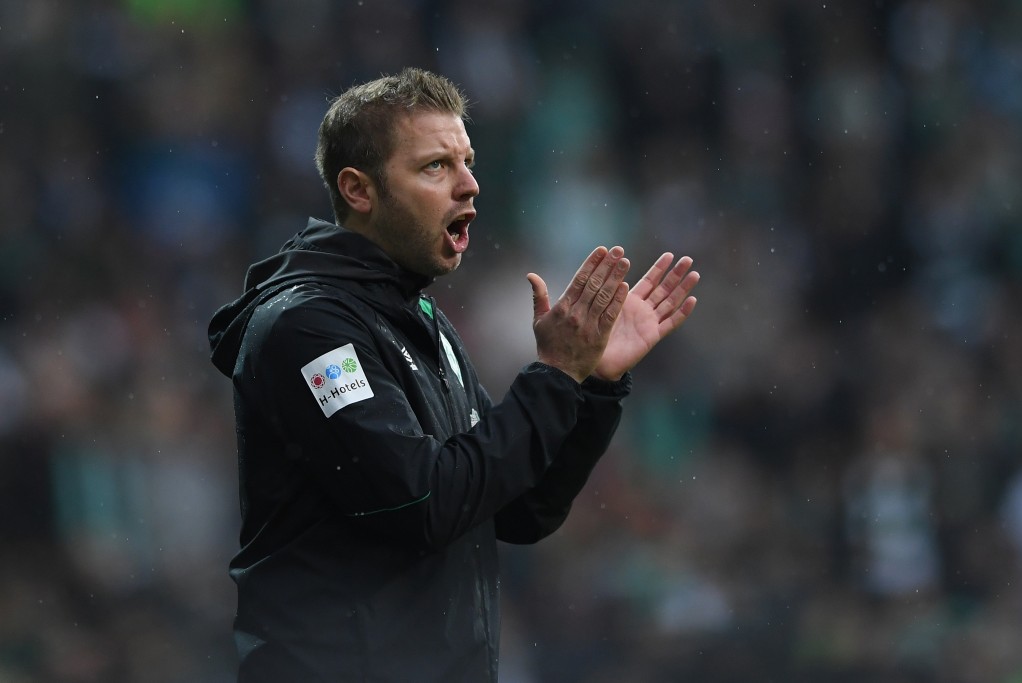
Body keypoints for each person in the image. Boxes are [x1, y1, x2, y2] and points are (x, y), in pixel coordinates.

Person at [208, 67, 699, 683]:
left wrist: (590, 385)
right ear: (359, 190)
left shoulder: (422, 323)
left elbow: (518, 510)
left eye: (467, 162)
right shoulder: (309, 330)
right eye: (435, 167)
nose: (469, 185)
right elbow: (423, 503)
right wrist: (553, 374)